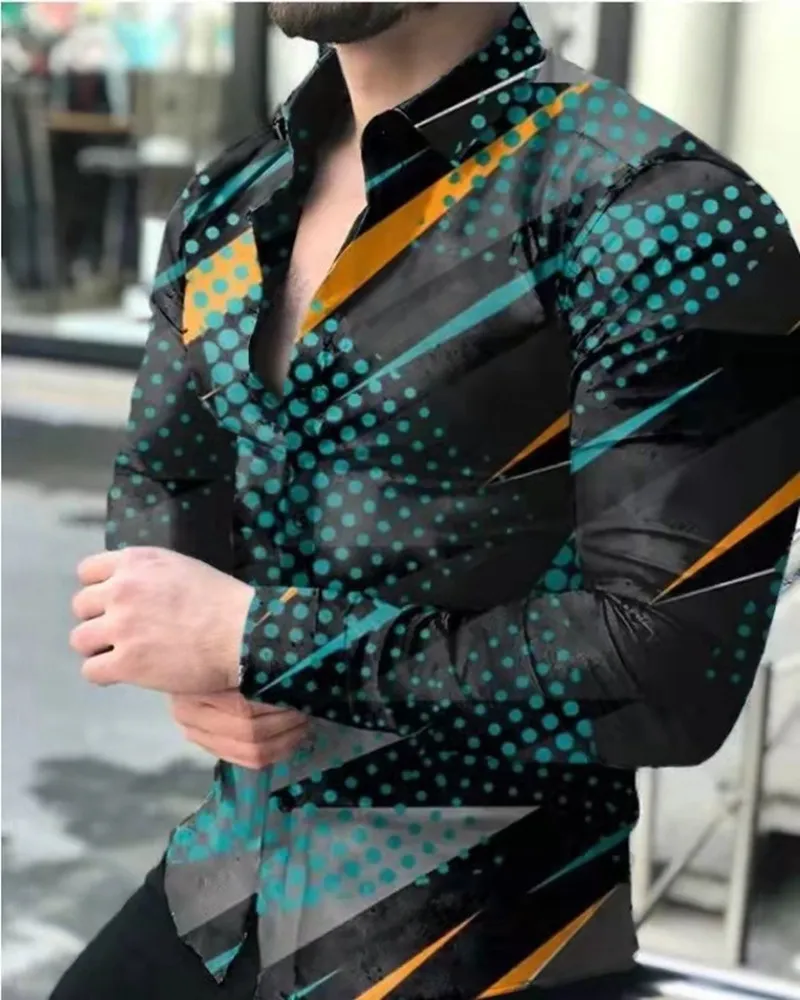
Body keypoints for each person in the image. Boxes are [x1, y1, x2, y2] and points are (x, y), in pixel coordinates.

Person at [56, 3, 800, 998]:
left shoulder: (663, 212)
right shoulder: (231, 193)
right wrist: (190, 655)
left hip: (477, 939)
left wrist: (252, 638)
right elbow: (167, 472)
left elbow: (668, 674)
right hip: (225, 888)